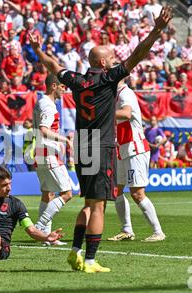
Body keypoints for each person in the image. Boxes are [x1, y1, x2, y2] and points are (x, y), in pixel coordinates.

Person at [29, 6, 173, 273]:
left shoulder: (76, 80)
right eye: (113, 57)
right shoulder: (109, 79)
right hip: (101, 145)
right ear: (104, 63)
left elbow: (52, 65)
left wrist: (37, 49)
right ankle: (91, 261)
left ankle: (75, 252)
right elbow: (138, 54)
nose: (117, 59)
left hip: (82, 145)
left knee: (88, 202)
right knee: (97, 207)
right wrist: (157, 30)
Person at [108, 79, 165, 243]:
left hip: (135, 149)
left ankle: (158, 231)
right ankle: (127, 230)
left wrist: (104, 112)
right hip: (122, 148)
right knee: (116, 190)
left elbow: (126, 113)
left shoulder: (126, 93)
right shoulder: (115, 95)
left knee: (137, 193)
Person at [33, 74, 73, 246]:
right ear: (54, 86)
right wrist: (65, 140)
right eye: (63, 86)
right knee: (67, 194)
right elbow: (44, 130)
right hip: (49, 155)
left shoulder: (41, 102)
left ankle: (46, 237)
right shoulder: (48, 105)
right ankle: (40, 226)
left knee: (47, 194)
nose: (65, 90)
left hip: (42, 153)